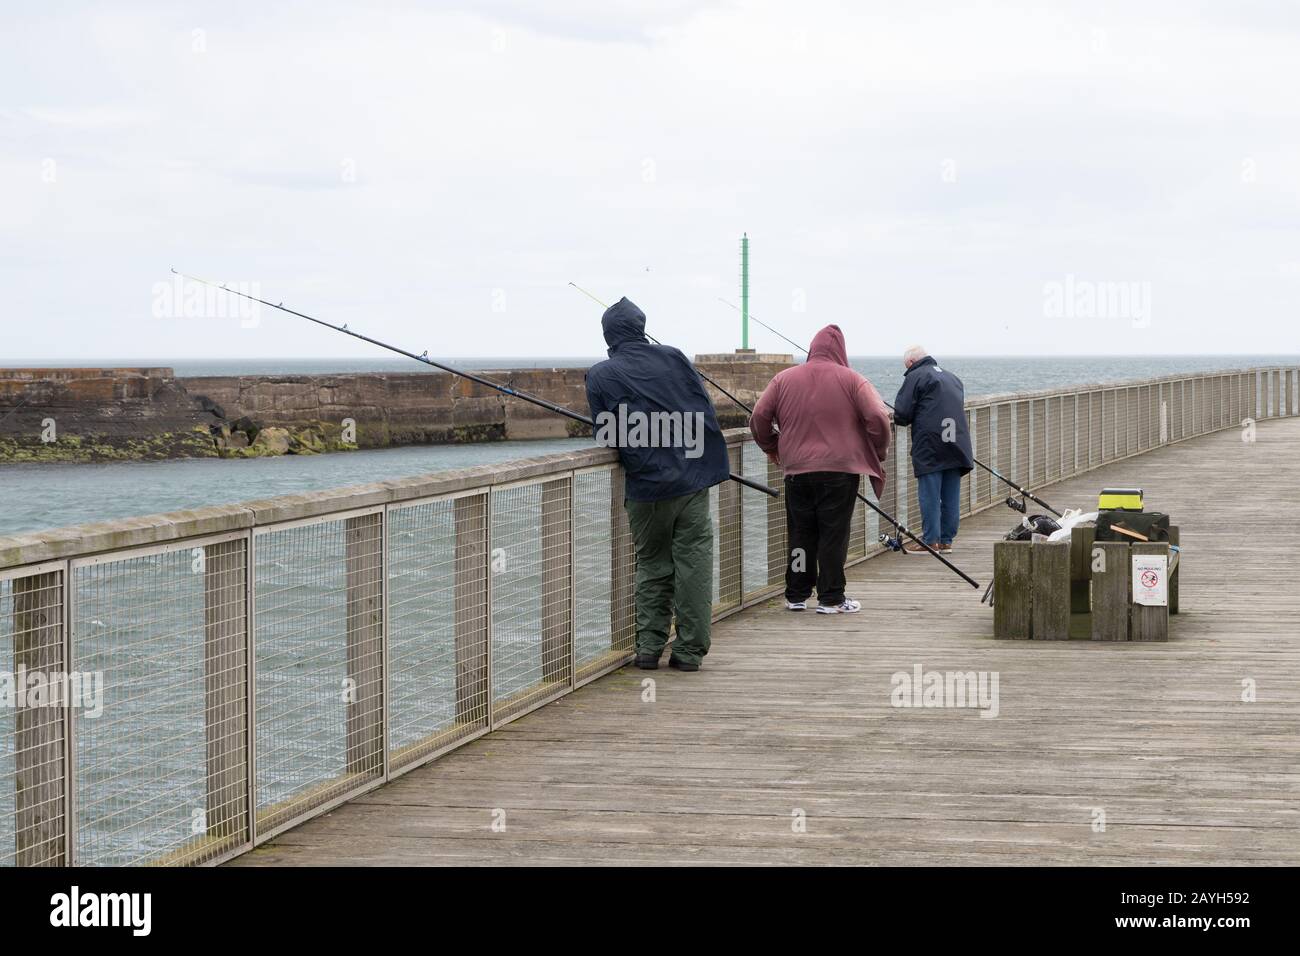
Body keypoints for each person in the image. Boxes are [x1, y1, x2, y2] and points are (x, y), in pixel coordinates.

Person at [585, 297, 730, 672]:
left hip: (647, 486)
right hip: (693, 478)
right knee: (694, 564)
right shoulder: (675, 357)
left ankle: (648, 649)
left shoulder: (600, 374)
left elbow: (606, 435)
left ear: (608, 336)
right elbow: (700, 407)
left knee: (652, 565)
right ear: (641, 328)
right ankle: (689, 652)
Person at [750, 324, 891, 614]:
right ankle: (831, 598)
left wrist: (771, 446)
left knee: (801, 533)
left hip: (797, 471)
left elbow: (759, 416)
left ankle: (797, 594)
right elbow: (878, 416)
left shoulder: (783, 379)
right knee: (833, 533)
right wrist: (877, 451)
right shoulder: (853, 380)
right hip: (839, 471)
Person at [891, 346, 974, 554]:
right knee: (950, 495)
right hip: (956, 443)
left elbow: (902, 413)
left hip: (930, 444)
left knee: (929, 495)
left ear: (911, 363)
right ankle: (946, 540)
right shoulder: (953, 378)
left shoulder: (916, 376)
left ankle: (930, 541)